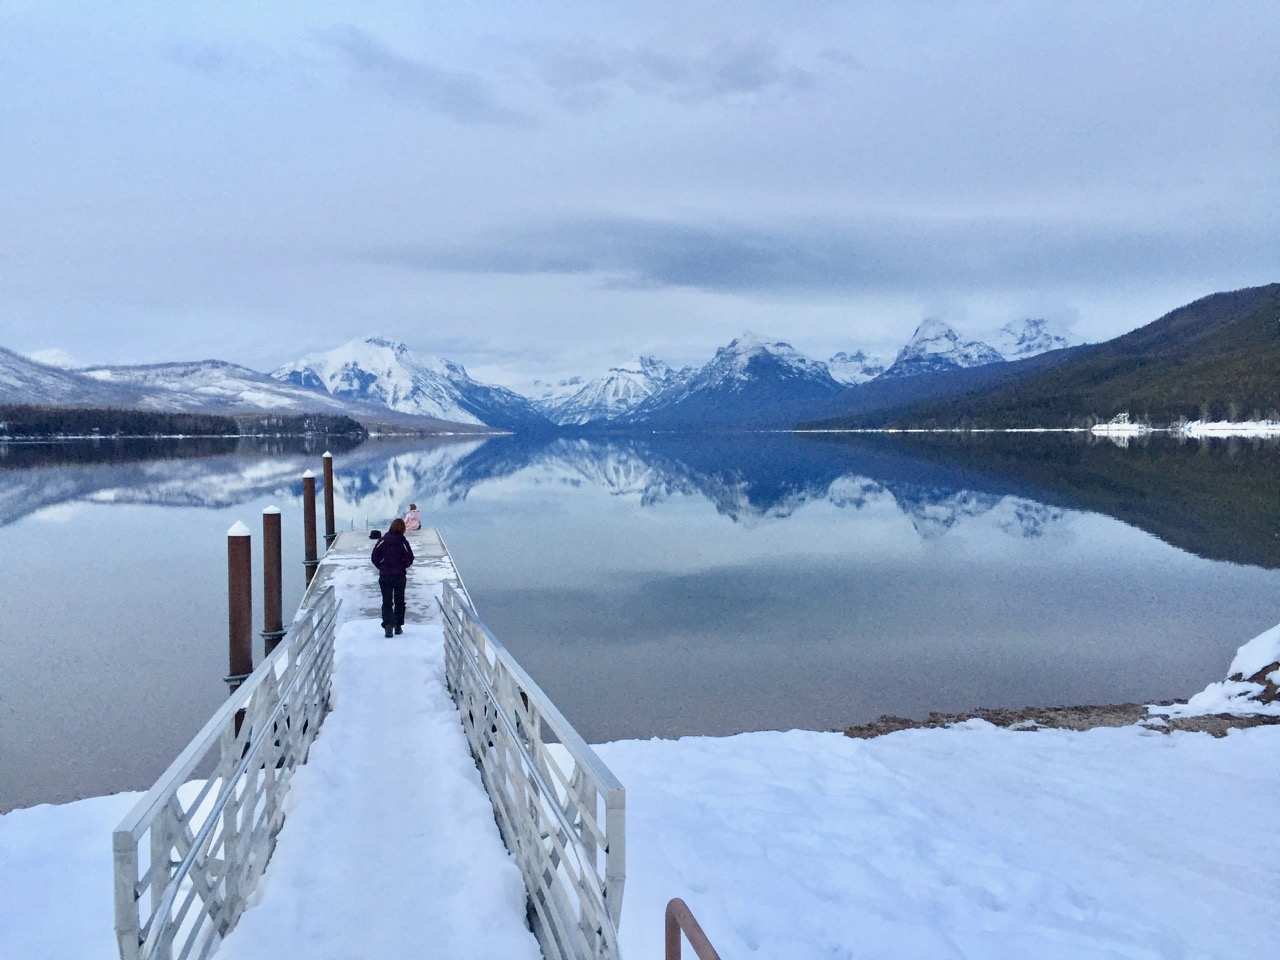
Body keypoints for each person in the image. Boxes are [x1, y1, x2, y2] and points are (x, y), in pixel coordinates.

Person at [371, 518, 414, 637]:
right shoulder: (403, 542)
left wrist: (381, 566)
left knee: (387, 601)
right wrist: (403, 565)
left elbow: (374, 556)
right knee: (400, 600)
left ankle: (388, 626)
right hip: (399, 575)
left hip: (385, 575)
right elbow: (410, 558)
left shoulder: (383, 540)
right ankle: (398, 625)